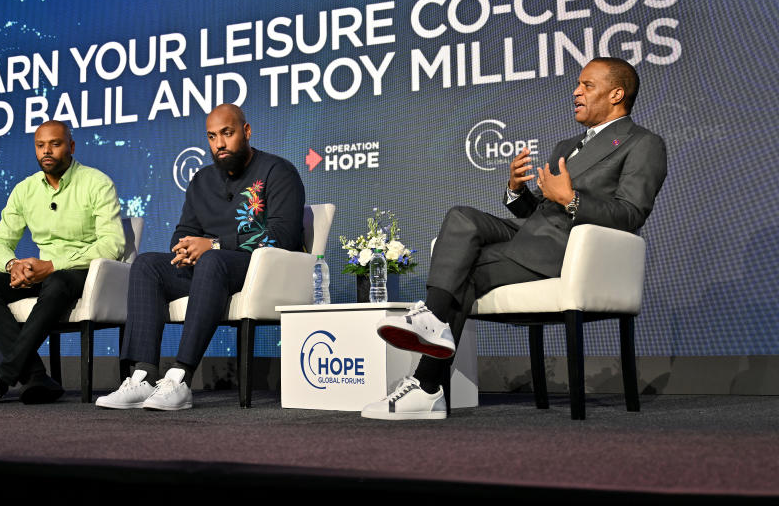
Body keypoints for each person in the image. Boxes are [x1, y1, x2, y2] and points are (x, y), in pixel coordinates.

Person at [362, 57, 668, 420]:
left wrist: (571, 199)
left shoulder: (642, 143)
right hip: (531, 231)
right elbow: (534, 210)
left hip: (566, 249)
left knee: (466, 271)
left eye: (587, 85)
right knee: (462, 217)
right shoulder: (567, 145)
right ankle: (433, 321)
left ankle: (427, 384)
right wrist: (516, 189)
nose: (576, 91)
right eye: (578, 84)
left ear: (617, 93)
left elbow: (631, 214)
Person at [97, 103, 305, 411]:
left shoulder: (278, 171)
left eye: (227, 133)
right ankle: (142, 376)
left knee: (211, 260)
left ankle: (180, 377)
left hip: (257, 269)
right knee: (147, 265)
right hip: (210, 270)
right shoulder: (201, 180)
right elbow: (182, 233)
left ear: (246, 132)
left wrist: (215, 246)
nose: (219, 144)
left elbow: (283, 236)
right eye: (211, 137)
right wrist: (185, 250)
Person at [0, 120, 125, 404]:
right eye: (40, 145)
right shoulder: (25, 190)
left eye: (55, 144)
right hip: (42, 277)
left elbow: (113, 244)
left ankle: (3, 378)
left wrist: (52, 264)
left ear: (71, 147)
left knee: (58, 281)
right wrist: (14, 265)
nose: (46, 151)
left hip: (82, 274)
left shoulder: (97, 183)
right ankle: (36, 376)